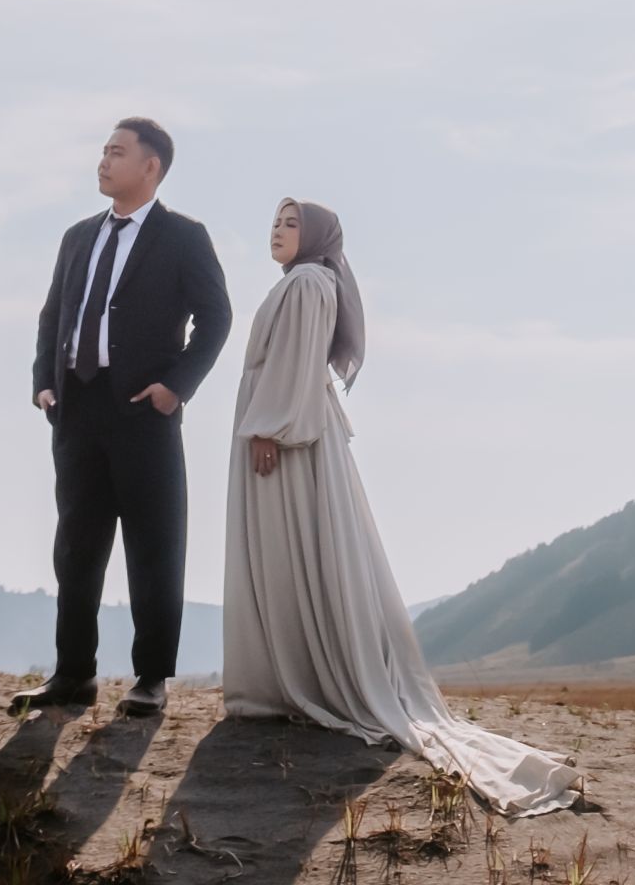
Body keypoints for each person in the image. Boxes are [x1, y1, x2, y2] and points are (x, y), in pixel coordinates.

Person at [222, 198, 580, 818]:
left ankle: (300, 680)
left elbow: (295, 365)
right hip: (286, 426)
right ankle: (293, 677)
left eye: (291, 223)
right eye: (275, 222)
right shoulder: (310, 281)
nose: (277, 231)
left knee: (291, 546)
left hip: (285, 435)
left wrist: (268, 427)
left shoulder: (307, 282)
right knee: (296, 552)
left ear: (317, 237)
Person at [14, 118, 233, 718]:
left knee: (153, 546)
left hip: (143, 412)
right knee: (75, 547)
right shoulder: (78, 236)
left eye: (116, 152)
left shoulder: (183, 237)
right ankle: (73, 674)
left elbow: (216, 317)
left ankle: (151, 678)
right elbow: (53, 315)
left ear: (150, 167)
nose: (103, 161)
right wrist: (44, 384)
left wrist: (176, 388)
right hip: (76, 410)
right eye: (103, 151)